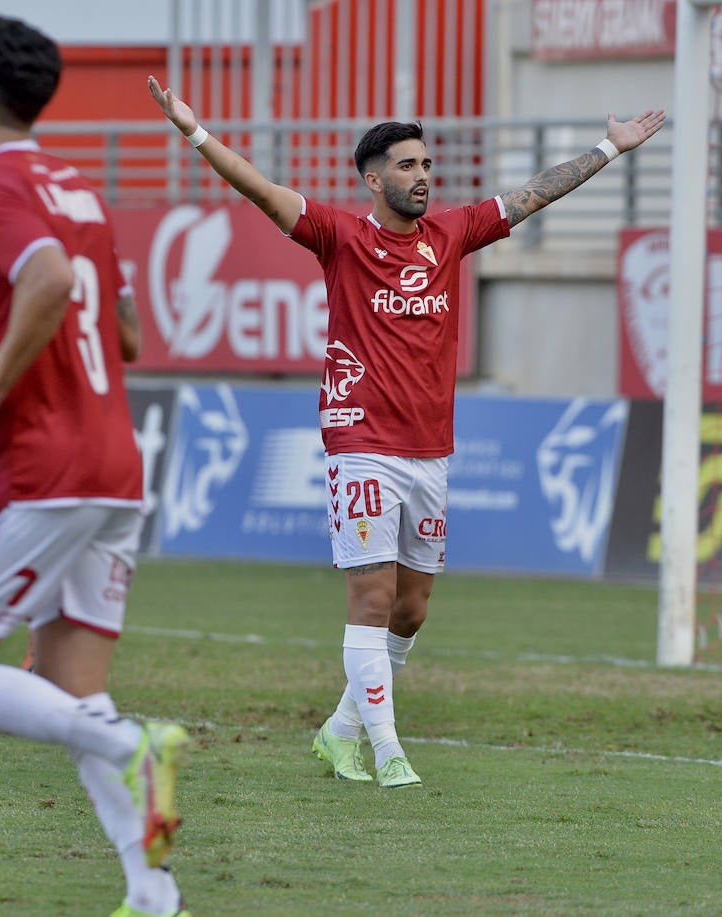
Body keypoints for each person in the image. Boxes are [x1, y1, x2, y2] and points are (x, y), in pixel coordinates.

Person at [149, 77, 665, 788]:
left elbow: (533, 195)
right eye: (407, 166)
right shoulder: (339, 236)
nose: (422, 177)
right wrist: (195, 133)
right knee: (371, 596)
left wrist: (610, 145)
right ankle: (389, 751)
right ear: (372, 178)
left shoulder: (450, 235)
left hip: (430, 449)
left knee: (412, 610)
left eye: (426, 165)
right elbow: (263, 191)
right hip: (360, 438)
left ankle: (339, 730)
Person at [0, 16, 190, 917]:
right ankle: (154, 894)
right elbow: (129, 332)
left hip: (40, 467)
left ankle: (133, 745)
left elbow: (53, 282)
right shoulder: (81, 189)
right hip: (114, 462)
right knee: (76, 691)